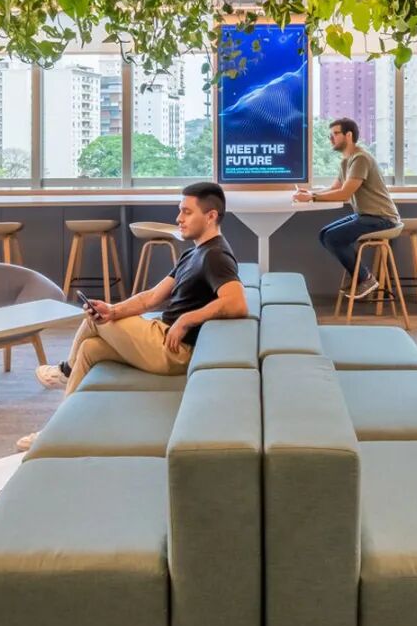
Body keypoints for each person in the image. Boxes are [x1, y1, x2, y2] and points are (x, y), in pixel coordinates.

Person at [18, 181, 248, 450]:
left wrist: (187, 319)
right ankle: (56, 430)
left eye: (186, 212)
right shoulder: (193, 254)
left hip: (173, 349)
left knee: (94, 320)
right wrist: (113, 309)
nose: (178, 218)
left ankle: (65, 372)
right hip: (160, 337)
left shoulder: (216, 256)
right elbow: (151, 297)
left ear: (210, 216)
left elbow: (237, 303)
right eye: (180, 210)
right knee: (90, 348)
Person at [293, 117, 401, 299]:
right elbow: (335, 188)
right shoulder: (346, 161)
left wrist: (312, 197)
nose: (331, 139)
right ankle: (360, 276)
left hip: (382, 218)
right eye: (330, 135)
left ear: (348, 135)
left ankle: (364, 278)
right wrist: (310, 193)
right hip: (366, 215)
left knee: (332, 238)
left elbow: (344, 194)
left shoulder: (361, 159)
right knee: (324, 235)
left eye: (335, 134)